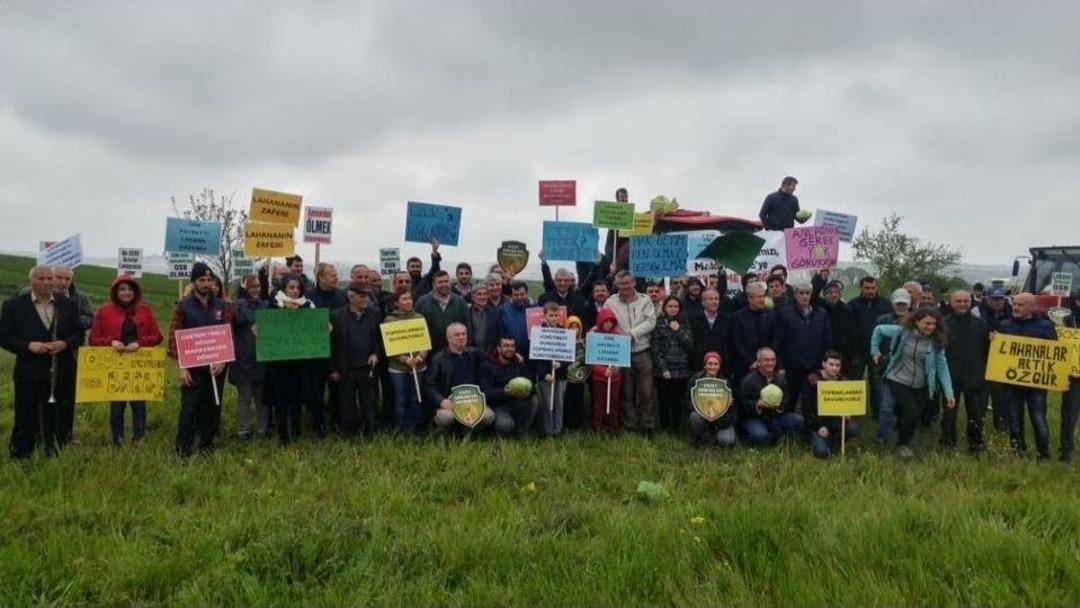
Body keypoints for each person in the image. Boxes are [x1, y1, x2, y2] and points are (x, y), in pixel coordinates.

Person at [2, 266, 84, 458]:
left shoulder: (68, 305)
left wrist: (64, 343)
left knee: (57, 414)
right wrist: (29, 346)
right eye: (42, 278)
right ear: (31, 280)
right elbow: (4, 337)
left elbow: (79, 334)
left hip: (61, 369)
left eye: (49, 278)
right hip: (29, 369)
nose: (47, 282)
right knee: (25, 412)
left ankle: (54, 452)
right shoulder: (13, 306)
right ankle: (21, 454)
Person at [88, 275, 164, 445]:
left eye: (130, 289)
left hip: (139, 364)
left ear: (135, 292)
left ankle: (139, 438)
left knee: (139, 404)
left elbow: (158, 336)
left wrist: (140, 342)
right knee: (117, 404)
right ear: (116, 291)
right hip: (116, 365)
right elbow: (93, 339)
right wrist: (110, 342)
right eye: (122, 289)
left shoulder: (145, 311)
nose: (126, 292)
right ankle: (118, 439)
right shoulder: (104, 311)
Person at [871, 307, 955, 460]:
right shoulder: (902, 332)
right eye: (926, 323)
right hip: (897, 378)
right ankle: (899, 445)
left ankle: (906, 440)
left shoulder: (936, 343)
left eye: (933, 324)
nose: (930, 327)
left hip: (921, 384)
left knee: (914, 416)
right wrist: (875, 351)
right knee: (910, 412)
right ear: (916, 322)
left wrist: (948, 392)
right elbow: (878, 330)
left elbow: (943, 368)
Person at [168, 262, 232, 457]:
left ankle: (206, 444)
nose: (206, 284)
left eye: (209, 280)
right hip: (192, 367)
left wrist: (223, 361)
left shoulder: (222, 306)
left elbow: (228, 335)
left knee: (213, 406)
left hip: (216, 367)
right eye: (201, 280)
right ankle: (183, 448)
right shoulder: (182, 306)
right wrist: (182, 367)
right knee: (189, 408)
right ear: (194, 282)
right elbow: (174, 336)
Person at [263, 275, 322, 444]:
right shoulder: (273, 306)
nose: (295, 291)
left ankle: (296, 431)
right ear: (284, 289)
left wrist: (323, 327)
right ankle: (283, 434)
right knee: (281, 399)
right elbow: (266, 329)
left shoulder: (308, 306)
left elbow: (314, 330)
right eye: (291, 288)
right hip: (279, 363)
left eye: (297, 288)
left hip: (301, 361)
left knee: (297, 397)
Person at [998, 293, 1056, 460]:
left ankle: (1043, 455)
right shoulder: (1005, 325)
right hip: (1011, 383)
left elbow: (1056, 355)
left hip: (1036, 384)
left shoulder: (1046, 326)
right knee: (1014, 420)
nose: (1015, 307)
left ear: (1032, 307)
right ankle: (1017, 452)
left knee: (1038, 420)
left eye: (1021, 305)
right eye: (1015, 304)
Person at [605, 270, 657, 435]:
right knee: (626, 392)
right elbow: (605, 321)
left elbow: (651, 321)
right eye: (621, 284)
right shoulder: (610, 302)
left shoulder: (645, 300)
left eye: (628, 283)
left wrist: (633, 334)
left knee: (646, 392)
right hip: (621, 352)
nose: (625, 287)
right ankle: (629, 424)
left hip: (642, 350)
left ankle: (647, 425)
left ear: (634, 283)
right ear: (616, 284)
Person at [329, 282, 382, 439]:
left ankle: (371, 432)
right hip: (346, 369)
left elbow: (381, 339)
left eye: (367, 295)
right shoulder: (336, 316)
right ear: (351, 297)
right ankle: (348, 433)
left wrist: (376, 354)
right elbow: (329, 345)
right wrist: (331, 369)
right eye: (362, 296)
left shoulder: (375, 313)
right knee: (346, 404)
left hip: (367, 368)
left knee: (369, 402)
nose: (366, 299)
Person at [942, 290, 990, 453]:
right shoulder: (943, 324)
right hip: (950, 376)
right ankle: (948, 443)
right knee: (949, 413)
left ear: (970, 302)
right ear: (951, 302)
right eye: (958, 301)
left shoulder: (981, 325)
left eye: (965, 301)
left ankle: (975, 445)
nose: (962, 304)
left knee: (976, 415)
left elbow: (988, 351)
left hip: (975, 376)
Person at [772, 281, 832, 408]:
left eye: (807, 293)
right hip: (792, 366)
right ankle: (790, 424)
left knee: (812, 401)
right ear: (795, 295)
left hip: (814, 365)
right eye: (801, 293)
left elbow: (828, 340)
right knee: (790, 399)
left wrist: (825, 363)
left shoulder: (821, 314)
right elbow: (778, 341)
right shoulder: (784, 313)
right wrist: (780, 365)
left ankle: (810, 426)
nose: (804, 296)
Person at [426, 323, 494, 431]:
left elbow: (494, 362)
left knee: (489, 416)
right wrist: (441, 401)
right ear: (448, 338)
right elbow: (429, 385)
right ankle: (446, 435)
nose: (461, 337)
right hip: (451, 404)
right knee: (446, 418)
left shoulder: (475, 353)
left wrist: (515, 357)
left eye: (464, 334)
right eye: (457, 335)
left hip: (473, 402)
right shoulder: (439, 359)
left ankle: (470, 433)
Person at [306, 262, 348, 434]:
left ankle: (337, 421)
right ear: (320, 277)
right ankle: (318, 425)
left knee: (336, 389)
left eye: (336, 274)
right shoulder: (308, 296)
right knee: (316, 390)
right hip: (315, 350)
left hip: (336, 349)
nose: (336, 277)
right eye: (332, 274)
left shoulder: (342, 295)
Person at [383, 290, 429, 434]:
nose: (408, 301)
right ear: (396, 303)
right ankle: (400, 429)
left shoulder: (419, 318)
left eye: (410, 299)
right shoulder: (389, 320)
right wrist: (405, 359)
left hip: (418, 367)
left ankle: (414, 428)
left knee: (416, 399)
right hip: (398, 369)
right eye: (404, 299)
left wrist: (420, 357)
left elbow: (425, 342)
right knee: (401, 401)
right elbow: (390, 345)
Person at [870, 288, 912, 444]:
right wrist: (876, 354)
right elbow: (875, 338)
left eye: (904, 303)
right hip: (886, 367)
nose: (901, 306)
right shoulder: (882, 320)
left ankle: (904, 435)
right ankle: (882, 437)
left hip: (908, 368)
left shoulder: (916, 320)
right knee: (886, 406)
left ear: (909, 303)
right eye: (898, 303)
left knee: (905, 406)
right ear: (893, 303)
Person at [737, 347, 804, 446]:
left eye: (773, 360)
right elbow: (741, 403)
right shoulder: (748, 381)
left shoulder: (781, 380)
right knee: (760, 435)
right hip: (754, 417)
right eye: (766, 360)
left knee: (798, 420)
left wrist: (779, 406)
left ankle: (778, 437)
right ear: (758, 362)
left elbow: (787, 399)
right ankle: (768, 437)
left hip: (775, 416)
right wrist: (757, 404)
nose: (770, 363)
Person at [229, 274, 268, 440]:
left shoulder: (265, 305)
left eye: (258, 286)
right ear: (245, 288)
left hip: (262, 357)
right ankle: (243, 431)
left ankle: (262, 429)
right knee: (244, 397)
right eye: (252, 286)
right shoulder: (236, 307)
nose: (256, 289)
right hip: (243, 359)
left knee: (262, 398)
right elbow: (235, 322)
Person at [800, 351, 860, 458]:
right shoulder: (812, 380)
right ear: (823, 364)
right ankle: (810, 437)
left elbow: (849, 402)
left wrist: (849, 412)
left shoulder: (844, 381)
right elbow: (806, 408)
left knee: (853, 427)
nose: (834, 368)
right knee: (822, 452)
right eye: (831, 364)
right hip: (817, 422)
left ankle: (836, 440)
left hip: (835, 420)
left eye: (838, 365)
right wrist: (818, 427)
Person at [479, 335, 540, 437]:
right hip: (498, 406)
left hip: (517, 403)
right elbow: (485, 393)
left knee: (534, 400)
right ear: (498, 348)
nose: (510, 348)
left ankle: (522, 434)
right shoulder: (487, 366)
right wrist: (504, 392)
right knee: (505, 425)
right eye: (506, 346)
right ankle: (493, 434)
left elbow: (530, 383)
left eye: (512, 346)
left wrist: (527, 393)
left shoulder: (519, 364)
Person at [650, 295, 693, 433]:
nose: (673, 309)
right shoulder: (659, 323)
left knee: (677, 400)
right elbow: (655, 348)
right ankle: (664, 427)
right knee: (663, 400)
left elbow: (689, 345)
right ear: (664, 308)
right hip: (663, 369)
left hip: (681, 369)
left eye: (676, 306)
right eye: (670, 306)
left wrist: (678, 331)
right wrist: (663, 369)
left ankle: (676, 428)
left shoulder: (685, 322)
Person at [532, 302, 570, 436]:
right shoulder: (538, 333)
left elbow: (569, 356)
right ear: (544, 315)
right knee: (547, 404)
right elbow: (535, 359)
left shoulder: (565, 333)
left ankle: (557, 430)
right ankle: (548, 430)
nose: (553, 318)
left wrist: (562, 364)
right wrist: (544, 374)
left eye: (556, 315)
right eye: (551, 315)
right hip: (546, 376)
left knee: (559, 403)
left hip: (560, 376)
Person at [979, 287, 1013, 431]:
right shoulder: (979, 314)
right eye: (995, 299)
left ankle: (1001, 425)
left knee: (1000, 396)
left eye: (1001, 299)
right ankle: (977, 423)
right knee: (981, 395)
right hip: (983, 358)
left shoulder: (1012, 314)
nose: (998, 302)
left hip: (1002, 362)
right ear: (987, 299)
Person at [727, 282, 775, 384]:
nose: (762, 300)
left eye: (763, 296)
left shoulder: (771, 315)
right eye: (758, 297)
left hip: (767, 367)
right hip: (745, 367)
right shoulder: (737, 317)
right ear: (749, 298)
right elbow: (737, 342)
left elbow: (774, 340)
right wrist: (752, 362)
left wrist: (764, 361)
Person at [847, 275, 892, 382]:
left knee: (876, 384)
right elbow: (847, 329)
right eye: (867, 288)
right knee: (855, 382)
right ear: (861, 288)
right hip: (858, 352)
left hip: (877, 351)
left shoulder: (886, 305)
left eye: (873, 288)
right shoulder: (852, 305)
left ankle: (875, 399)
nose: (870, 291)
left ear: (877, 288)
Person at [686, 351, 736, 447]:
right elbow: (688, 402)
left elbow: (731, 412)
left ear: (719, 366)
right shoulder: (695, 380)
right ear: (705, 365)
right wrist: (702, 410)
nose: (713, 367)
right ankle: (700, 436)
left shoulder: (725, 382)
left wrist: (729, 404)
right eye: (710, 364)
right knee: (694, 417)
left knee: (727, 441)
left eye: (716, 364)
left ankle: (714, 434)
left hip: (721, 418)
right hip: (701, 414)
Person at [415, 270, 469, 354]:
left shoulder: (460, 302)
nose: (444, 284)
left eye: (446, 281)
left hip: (454, 352)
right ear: (433, 284)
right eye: (440, 282)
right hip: (430, 353)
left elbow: (467, 326)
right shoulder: (422, 302)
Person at [588, 308, 623, 433]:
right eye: (605, 321)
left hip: (615, 377)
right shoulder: (594, 335)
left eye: (611, 322)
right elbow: (591, 360)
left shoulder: (618, 336)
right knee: (598, 403)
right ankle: (597, 426)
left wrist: (617, 368)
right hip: (599, 377)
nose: (608, 324)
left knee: (613, 403)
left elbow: (622, 357)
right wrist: (602, 371)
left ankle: (612, 426)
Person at [815, 278, 858, 375]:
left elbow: (852, 334)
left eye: (836, 292)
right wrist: (820, 277)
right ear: (824, 295)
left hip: (842, 356)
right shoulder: (819, 308)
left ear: (840, 294)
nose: (833, 295)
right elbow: (813, 294)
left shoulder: (846, 310)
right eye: (830, 293)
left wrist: (854, 355)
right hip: (822, 354)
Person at [688, 288, 726, 375]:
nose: (714, 302)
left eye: (716, 299)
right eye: (711, 299)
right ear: (703, 302)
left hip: (721, 366)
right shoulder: (693, 319)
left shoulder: (726, 319)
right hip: (699, 365)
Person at [465, 283, 500, 355]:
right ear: (473, 297)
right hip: (470, 353)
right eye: (479, 294)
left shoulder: (495, 313)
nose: (482, 297)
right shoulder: (466, 313)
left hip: (489, 354)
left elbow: (498, 334)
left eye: (485, 294)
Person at [499, 281, 532, 357]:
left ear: (527, 294)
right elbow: (501, 333)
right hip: (511, 354)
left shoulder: (534, 309)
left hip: (531, 354)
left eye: (522, 294)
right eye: (516, 295)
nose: (519, 297)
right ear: (511, 296)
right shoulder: (504, 310)